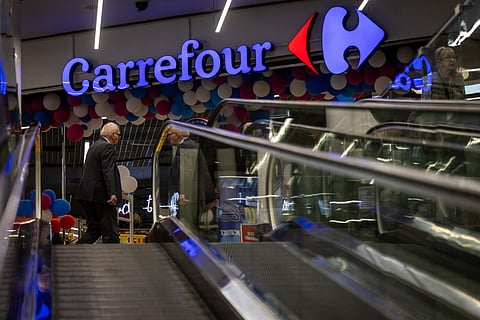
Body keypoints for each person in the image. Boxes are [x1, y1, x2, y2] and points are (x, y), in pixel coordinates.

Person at [77, 122, 122, 243]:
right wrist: (112, 193)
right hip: (101, 196)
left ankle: (74, 250)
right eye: (118, 134)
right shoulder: (107, 147)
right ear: (112, 135)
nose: (119, 137)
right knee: (110, 232)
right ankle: (114, 259)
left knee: (94, 229)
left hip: (87, 194)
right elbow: (108, 171)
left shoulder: (95, 145)